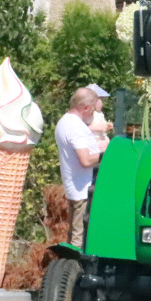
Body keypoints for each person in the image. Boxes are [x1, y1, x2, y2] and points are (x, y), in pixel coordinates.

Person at [55, 87, 106, 247]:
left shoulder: (65, 121)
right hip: (81, 190)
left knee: (73, 233)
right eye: (92, 109)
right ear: (85, 108)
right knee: (79, 237)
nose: (93, 113)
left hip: (74, 186)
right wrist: (106, 154)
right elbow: (85, 159)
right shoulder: (76, 127)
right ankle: (74, 268)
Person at [86, 83, 112, 148]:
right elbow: (84, 127)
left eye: (101, 100)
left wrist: (108, 127)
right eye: (97, 100)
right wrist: (99, 128)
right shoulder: (87, 113)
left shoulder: (100, 114)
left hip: (103, 141)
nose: (100, 103)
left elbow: (104, 128)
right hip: (92, 142)